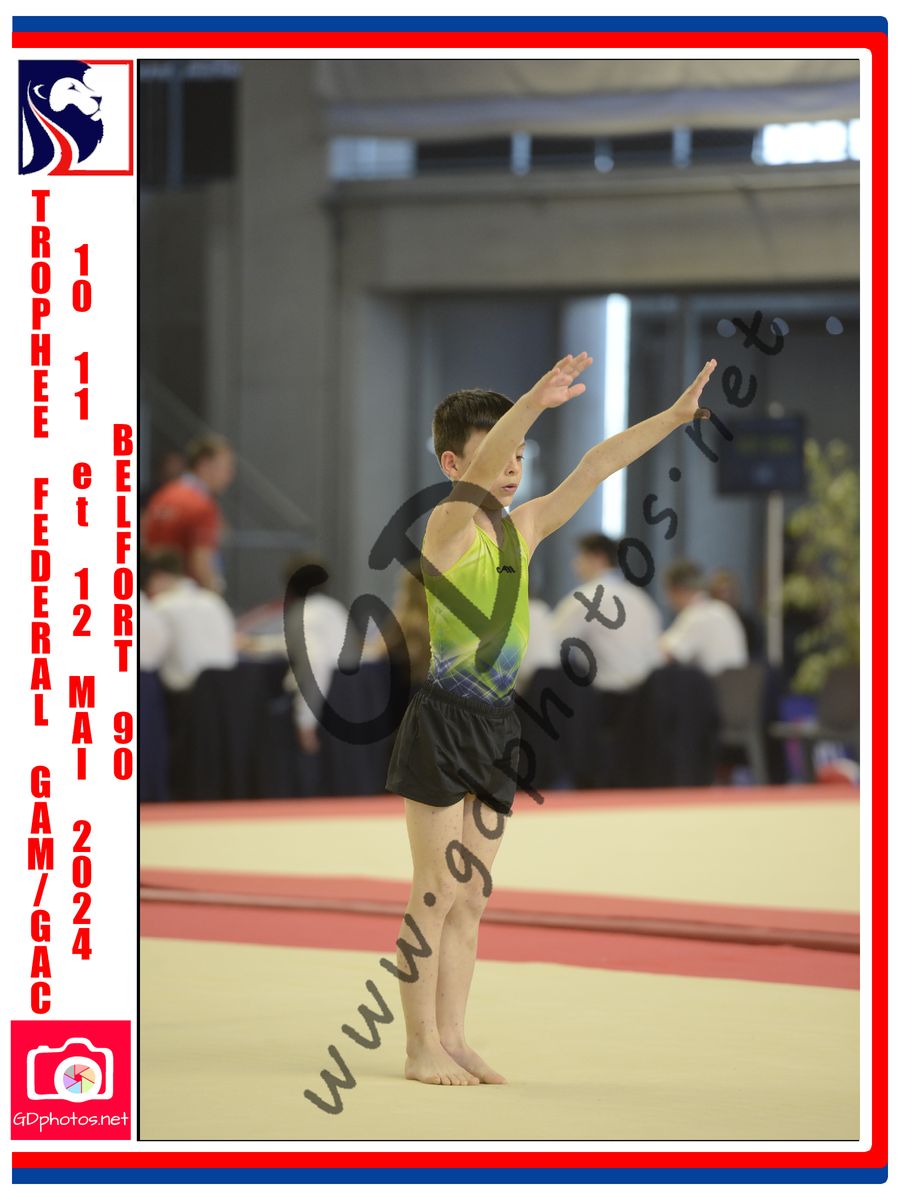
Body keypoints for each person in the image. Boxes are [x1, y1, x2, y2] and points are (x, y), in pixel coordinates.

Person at [385, 353, 718, 1087]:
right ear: (453, 464)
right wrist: (533, 402)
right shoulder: (446, 528)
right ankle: (418, 1046)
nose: (512, 467)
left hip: (497, 724)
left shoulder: (526, 527)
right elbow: (480, 476)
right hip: (444, 720)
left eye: (520, 455)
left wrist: (672, 418)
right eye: (498, 453)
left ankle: (453, 1035)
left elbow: (597, 465)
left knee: (472, 896)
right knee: (434, 890)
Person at [551, 531, 663, 693]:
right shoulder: (641, 598)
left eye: (580, 557)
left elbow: (552, 643)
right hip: (648, 697)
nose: (574, 563)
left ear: (598, 557)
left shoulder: (586, 597)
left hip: (604, 697)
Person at [282, 555, 358, 757]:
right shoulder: (335, 609)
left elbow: (315, 665)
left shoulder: (302, 615)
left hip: (328, 711)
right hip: (353, 705)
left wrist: (305, 721)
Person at [141, 434, 235, 593]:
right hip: (186, 591)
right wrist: (214, 594)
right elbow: (201, 561)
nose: (230, 475)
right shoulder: (202, 504)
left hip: (153, 590)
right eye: (226, 467)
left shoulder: (162, 496)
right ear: (204, 465)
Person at [143, 550, 238, 691]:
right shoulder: (214, 601)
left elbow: (147, 657)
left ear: (159, 577)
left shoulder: (161, 605)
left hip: (185, 693)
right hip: (227, 690)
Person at [660, 560, 748, 675]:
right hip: (737, 685)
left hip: (713, 685)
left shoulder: (696, 615)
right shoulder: (723, 610)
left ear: (677, 590)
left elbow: (665, 655)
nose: (667, 601)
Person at [708, 567, 765, 661]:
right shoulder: (707, 621)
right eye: (721, 592)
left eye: (729, 591)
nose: (726, 596)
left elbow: (756, 652)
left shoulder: (747, 622)